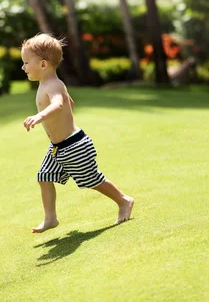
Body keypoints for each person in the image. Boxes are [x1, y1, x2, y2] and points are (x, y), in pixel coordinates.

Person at [21, 33, 134, 233]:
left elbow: (58, 104)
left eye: (26, 62)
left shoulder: (54, 85)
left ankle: (123, 200)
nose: (23, 67)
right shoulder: (47, 84)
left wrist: (40, 117)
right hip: (58, 147)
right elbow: (69, 102)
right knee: (44, 176)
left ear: (43, 65)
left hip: (74, 146)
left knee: (92, 179)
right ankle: (50, 218)